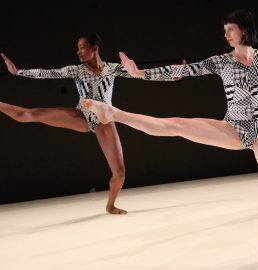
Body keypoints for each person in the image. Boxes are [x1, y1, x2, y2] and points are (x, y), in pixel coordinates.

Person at [81, 10, 258, 258]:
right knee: (175, 124)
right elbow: (184, 69)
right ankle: (113, 113)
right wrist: (141, 73)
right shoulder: (221, 61)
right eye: (224, 30)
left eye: (229, 29)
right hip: (232, 128)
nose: (225, 35)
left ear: (243, 30)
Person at [0, 33, 175, 214]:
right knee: (29, 114)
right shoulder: (77, 70)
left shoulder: (112, 68)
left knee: (120, 173)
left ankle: (110, 205)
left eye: (82, 48)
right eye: (78, 49)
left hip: (104, 120)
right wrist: (18, 71)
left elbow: (142, 74)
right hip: (82, 116)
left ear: (95, 49)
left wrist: (173, 76)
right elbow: (49, 73)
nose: (78, 52)